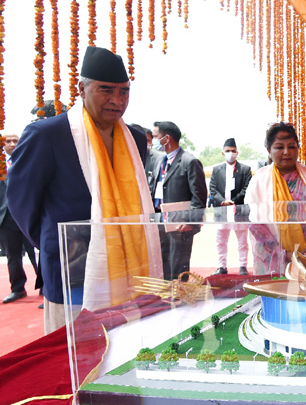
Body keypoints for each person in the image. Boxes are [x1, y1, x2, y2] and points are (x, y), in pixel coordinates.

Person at [8, 46, 160, 332]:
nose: (117, 101)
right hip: (71, 270)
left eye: (124, 92)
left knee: (127, 345)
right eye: (106, 90)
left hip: (129, 267)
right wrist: (53, 241)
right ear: (81, 88)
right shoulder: (48, 134)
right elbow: (21, 202)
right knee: (74, 351)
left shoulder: (136, 139)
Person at [245, 122, 306, 275]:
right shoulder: (259, 179)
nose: (286, 152)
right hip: (272, 256)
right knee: (275, 289)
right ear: (269, 150)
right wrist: (282, 253)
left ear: (298, 148)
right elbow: (254, 222)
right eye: (279, 147)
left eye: (292, 146)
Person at [149, 121, 207, 281]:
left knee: (178, 268)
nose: (153, 141)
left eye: (155, 137)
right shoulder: (160, 161)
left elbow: (199, 196)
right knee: (163, 266)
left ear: (166, 138)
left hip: (180, 226)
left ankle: (179, 294)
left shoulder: (189, 161)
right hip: (161, 222)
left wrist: (190, 222)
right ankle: (166, 294)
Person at [0, 130, 38, 303]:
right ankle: (17, 288)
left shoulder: (29, 160)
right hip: (6, 217)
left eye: (16, 140)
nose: (12, 144)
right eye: (8, 141)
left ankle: (46, 287)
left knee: (37, 252)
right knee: (12, 255)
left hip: (28, 214)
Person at [209, 138, 252, 275]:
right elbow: (213, 188)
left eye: (233, 151)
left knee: (242, 241)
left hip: (238, 210)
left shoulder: (245, 169)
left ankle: (243, 266)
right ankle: (221, 266)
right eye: (227, 151)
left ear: (237, 153)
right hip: (221, 210)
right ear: (223, 153)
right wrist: (223, 202)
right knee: (221, 240)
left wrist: (233, 201)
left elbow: (247, 188)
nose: (230, 153)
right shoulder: (216, 169)